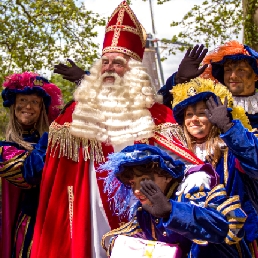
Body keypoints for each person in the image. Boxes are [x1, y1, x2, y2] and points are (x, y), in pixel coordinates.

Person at [31, 2, 217, 258]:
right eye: (104, 62)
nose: (108, 68)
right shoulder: (75, 114)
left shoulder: (156, 114)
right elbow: (56, 175)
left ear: (134, 71)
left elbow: (183, 163)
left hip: (144, 214)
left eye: (117, 63)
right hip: (89, 214)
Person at [100, 144, 247, 257]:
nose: (137, 190)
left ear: (167, 176)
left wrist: (172, 210)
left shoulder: (192, 191)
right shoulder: (144, 209)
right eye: (132, 183)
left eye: (144, 180)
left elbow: (223, 228)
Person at [171, 77, 258, 256]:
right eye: (188, 114)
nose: (194, 119)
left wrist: (228, 127)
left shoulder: (232, 148)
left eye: (202, 113)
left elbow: (255, 163)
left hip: (234, 241)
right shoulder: (177, 156)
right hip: (191, 241)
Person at [0, 72, 62, 258]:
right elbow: (32, 173)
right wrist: (54, 133)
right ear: (13, 105)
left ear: (43, 108)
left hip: (60, 225)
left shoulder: (58, 141)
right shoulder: (4, 150)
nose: (28, 106)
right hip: (28, 233)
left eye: (35, 102)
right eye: (23, 100)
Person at [158, 41, 258, 130]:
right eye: (228, 70)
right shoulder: (208, 100)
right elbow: (162, 109)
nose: (233, 76)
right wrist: (179, 79)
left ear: (256, 76)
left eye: (241, 70)